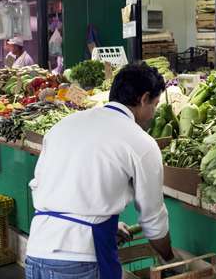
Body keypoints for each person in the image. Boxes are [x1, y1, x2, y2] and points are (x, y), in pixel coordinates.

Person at [25, 62, 184, 279]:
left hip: (37, 252)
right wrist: (169, 258)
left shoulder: (64, 125)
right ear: (144, 98)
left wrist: (101, 221)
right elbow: (153, 219)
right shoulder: (140, 142)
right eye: (155, 105)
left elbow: (44, 186)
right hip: (80, 261)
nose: (153, 113)